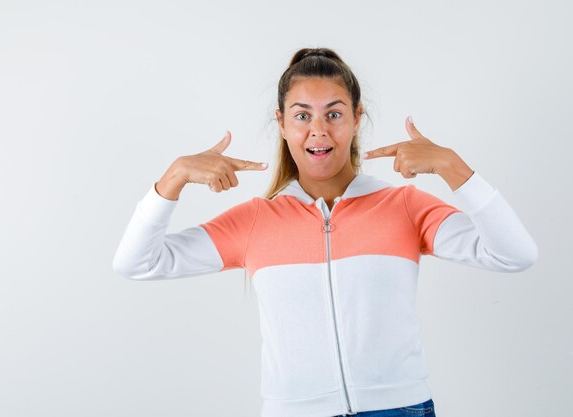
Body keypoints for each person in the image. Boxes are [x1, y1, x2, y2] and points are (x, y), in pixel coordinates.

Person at [112, 47, 538, 417]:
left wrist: (452, 166)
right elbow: (137, 263)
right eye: (302, 116)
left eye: (334, 113)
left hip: (401, 408)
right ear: (281, 123)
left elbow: (515, 254)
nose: (318, 130)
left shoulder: (404, 207)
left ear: (356, 118)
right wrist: (173, 178)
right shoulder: (257, 220)